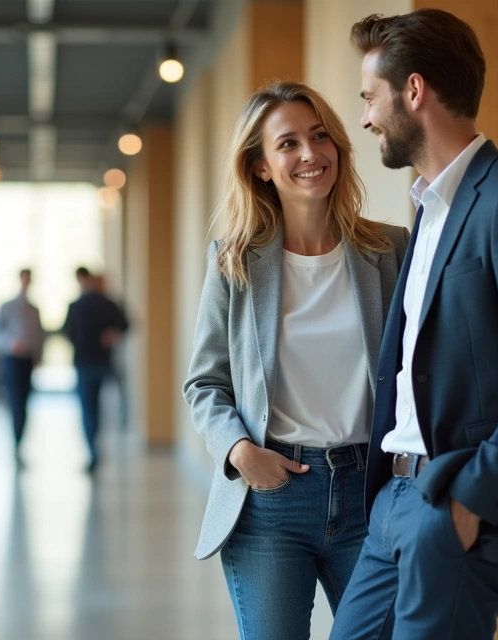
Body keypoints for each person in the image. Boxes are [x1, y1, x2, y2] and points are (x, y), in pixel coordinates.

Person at [328, 10, 498, 640]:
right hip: (392, 501)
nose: (365, 117)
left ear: (413, 91)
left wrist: (474, 496)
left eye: (370, 97)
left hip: (453, 505)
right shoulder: (428, 208)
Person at [183, 81, 410, 640]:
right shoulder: (234, 261)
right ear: (260, 166)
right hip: (271, 502)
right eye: (287, 144)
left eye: (320, 136)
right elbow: (204, 383)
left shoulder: (391, 250)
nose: (310, 154)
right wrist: (237, 450)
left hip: (370, 494)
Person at [61, 266, 130, 471]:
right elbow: (126, 325)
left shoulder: (76, 305)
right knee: (98, 407)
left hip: (83, 362)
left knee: (88, 408)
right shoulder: (109, 304)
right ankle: (95, 448)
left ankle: (92, 451)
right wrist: (113, 334)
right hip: (102, 362)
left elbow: (67, 332)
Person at [0, 269, 45, 466]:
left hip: (28, 360)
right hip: (11, 359)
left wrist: (39, 354)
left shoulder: (34, 309)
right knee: (15, 402)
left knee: (24, 401)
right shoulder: (7, 307)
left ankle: (20, 442)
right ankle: (15, 443)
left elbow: (40, 334)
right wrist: (10, 343)